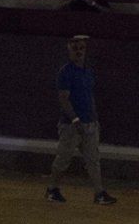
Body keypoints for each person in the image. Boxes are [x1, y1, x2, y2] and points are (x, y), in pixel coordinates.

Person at [46, 36, 116, 205]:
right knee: (63, 159)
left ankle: (99, 193)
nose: (79, 51)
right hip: (71, 124)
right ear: (69, 51)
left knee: (93, 160)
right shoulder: (66, 72)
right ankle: (52, 189)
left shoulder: (87, 72)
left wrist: (94, 118)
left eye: (81, 48)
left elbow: (89, 97)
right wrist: (76, 119)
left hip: (89, 122)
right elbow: (64, 99)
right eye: (75, 48)